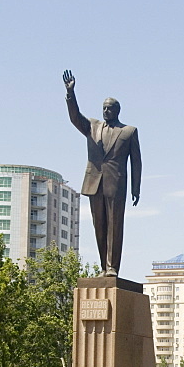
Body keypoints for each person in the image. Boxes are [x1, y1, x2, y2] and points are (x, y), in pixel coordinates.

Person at [63, 70, 142, 277]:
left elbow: (136, 161)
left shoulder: (129, 131)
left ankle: (112, 267)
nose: (106, 111)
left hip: (116, 184)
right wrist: (71, 94)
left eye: (109, 108)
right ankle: (103, 268)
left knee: (115, 226)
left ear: (117, 111)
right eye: (104, 108)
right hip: (94, 182)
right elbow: (74, 117)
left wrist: (136, 188)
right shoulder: (91, 126)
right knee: (99, 226)